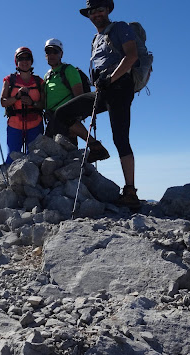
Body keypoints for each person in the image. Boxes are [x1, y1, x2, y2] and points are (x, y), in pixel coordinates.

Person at [54, 0, 140, 209]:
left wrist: (110, 78)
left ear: (108, 10)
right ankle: (95, 146)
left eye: (99, 10)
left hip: (119, 88)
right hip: (103, 89)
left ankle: (130, 192)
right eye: (92, 12)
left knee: (120, 138)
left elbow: (132, 56)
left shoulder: (120, 28)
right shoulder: (96, 38)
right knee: (62, 113)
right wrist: (101, 81)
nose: (96, 15)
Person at [0, 47, 45, 163]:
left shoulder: (39, 81)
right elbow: (3, 102)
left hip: (35, 124)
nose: (25, 62)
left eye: (27, 58)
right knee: (12, 159)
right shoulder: (10, 80)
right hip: (15, 125)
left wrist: (32, 103)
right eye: (21, 58)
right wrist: (17, 97)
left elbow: (44, 104)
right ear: (17, 62)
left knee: (35, 160)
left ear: (31, 61)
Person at [43, 38, 84, 145]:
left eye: (55, 51)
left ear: (61, 54)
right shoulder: (47, 76)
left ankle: (95, 145)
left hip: (67, 122)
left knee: (69, 158)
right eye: (48, 52)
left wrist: (76, 123)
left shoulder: (69, 70)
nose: (51, 55)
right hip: (52, 121)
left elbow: (80, 98)